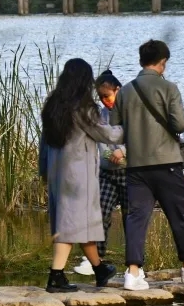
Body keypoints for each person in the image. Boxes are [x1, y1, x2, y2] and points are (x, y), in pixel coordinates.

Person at [111, 39, 184, 291]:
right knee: (177, 216)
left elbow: (115, 130)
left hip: (136, 165)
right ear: (163, 62)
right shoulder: (168, 88)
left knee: (136, 218)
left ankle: (133, 272)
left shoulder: (125, 91)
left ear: (141, 60)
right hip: (167, 163)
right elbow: (180, 124)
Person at [40, 58, 125, 292]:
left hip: (58, 175)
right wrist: (130, 129)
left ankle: (99, 269)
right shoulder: (82, 108)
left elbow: (43, 144)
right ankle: (55, 277)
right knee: (69, 227)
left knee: (83, 224)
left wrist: (44, 171)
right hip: (78, 176)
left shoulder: (52, 105)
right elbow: (106, 134)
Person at [74, 70, 127, 276]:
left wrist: (123, 150)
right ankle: (96, 260)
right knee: (100, 213)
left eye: (108, 96)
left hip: (129, 173)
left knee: (131, 218)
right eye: (101, 97)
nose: (105, 101)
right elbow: (100, 139)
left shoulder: (130, 110)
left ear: (118, 90)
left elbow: (139, 135)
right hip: (106, 173)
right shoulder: (101, 114)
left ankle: (135, 265)